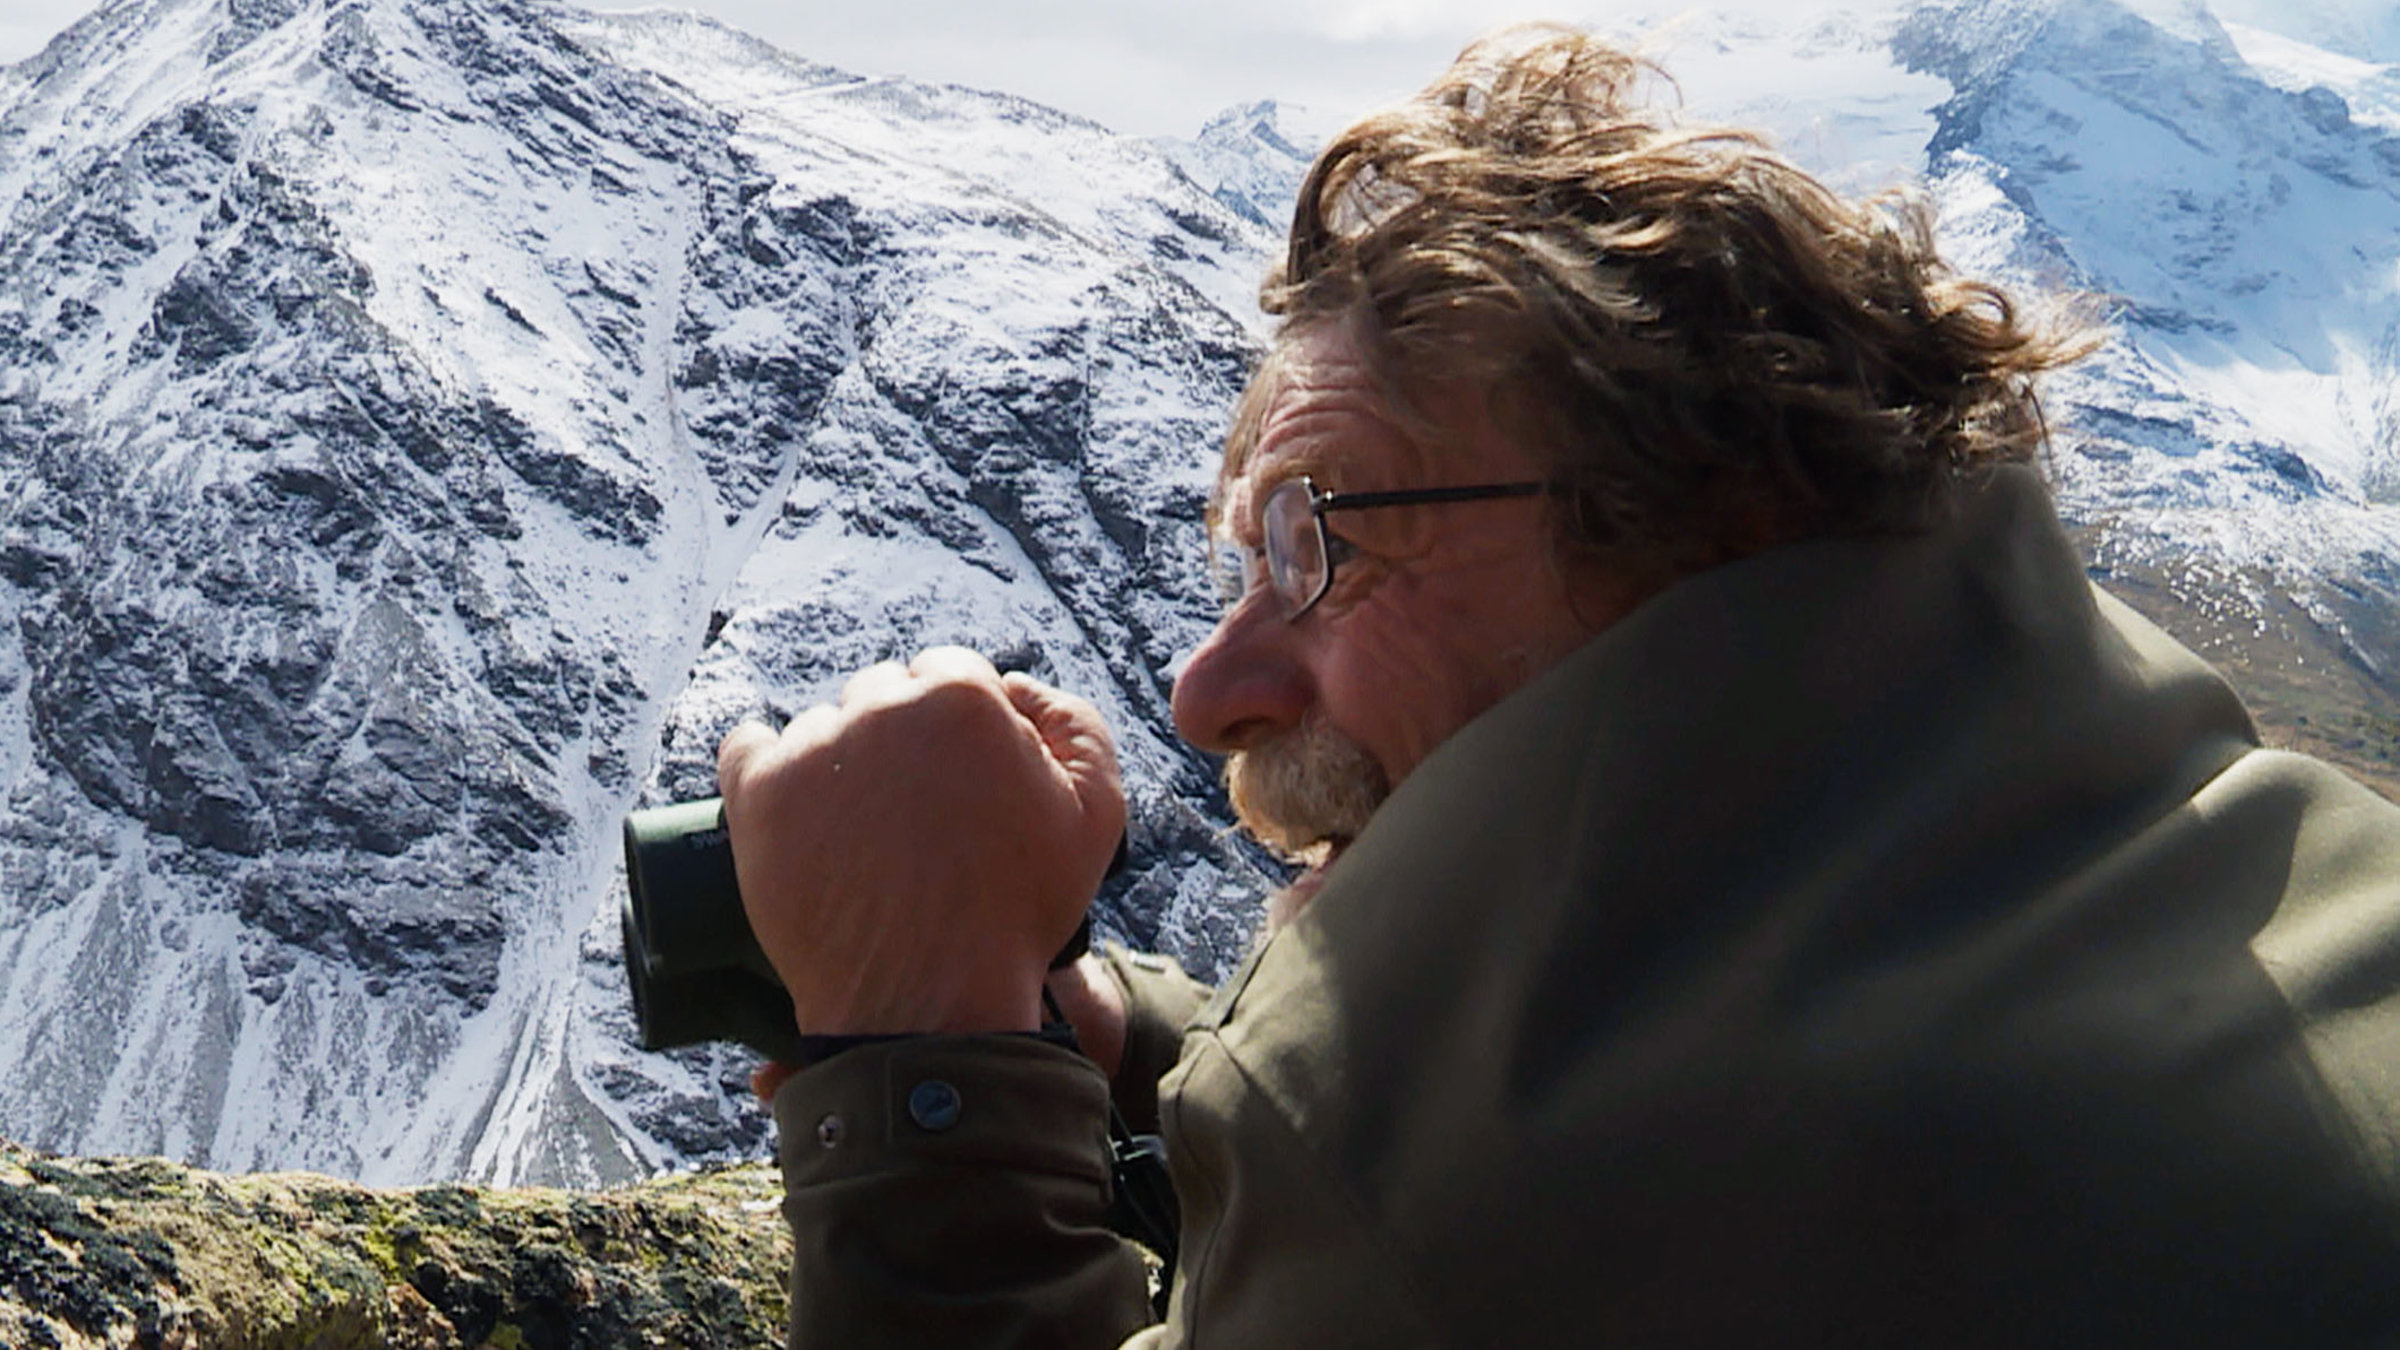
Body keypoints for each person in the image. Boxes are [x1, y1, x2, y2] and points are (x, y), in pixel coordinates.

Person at [713, 25, 2400, 1349]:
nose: (1206, 689)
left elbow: (1507, 1202)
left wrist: (927, 1056)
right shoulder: (2228, 842)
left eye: (1321, 540)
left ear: (1697, 531)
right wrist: (1119, 1046)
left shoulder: (1487, 1211)